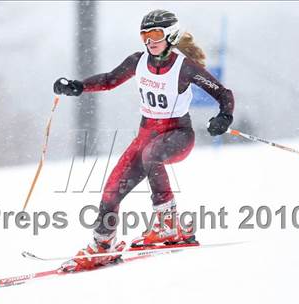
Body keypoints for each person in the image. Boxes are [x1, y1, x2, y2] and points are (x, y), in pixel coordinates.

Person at [53, 9, 234, 272]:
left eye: (155, 34)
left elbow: (223, 92)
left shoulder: (184, 66)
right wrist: (77, 86)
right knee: (112, 188)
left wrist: (224, 116)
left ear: (170, 35)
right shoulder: (138, 61)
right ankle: (103, 246)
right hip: (146, 133)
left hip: (178, 134)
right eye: (144, 35)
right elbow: (109, 80)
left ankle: (167, 224)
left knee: (152, 154)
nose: (149, 41)